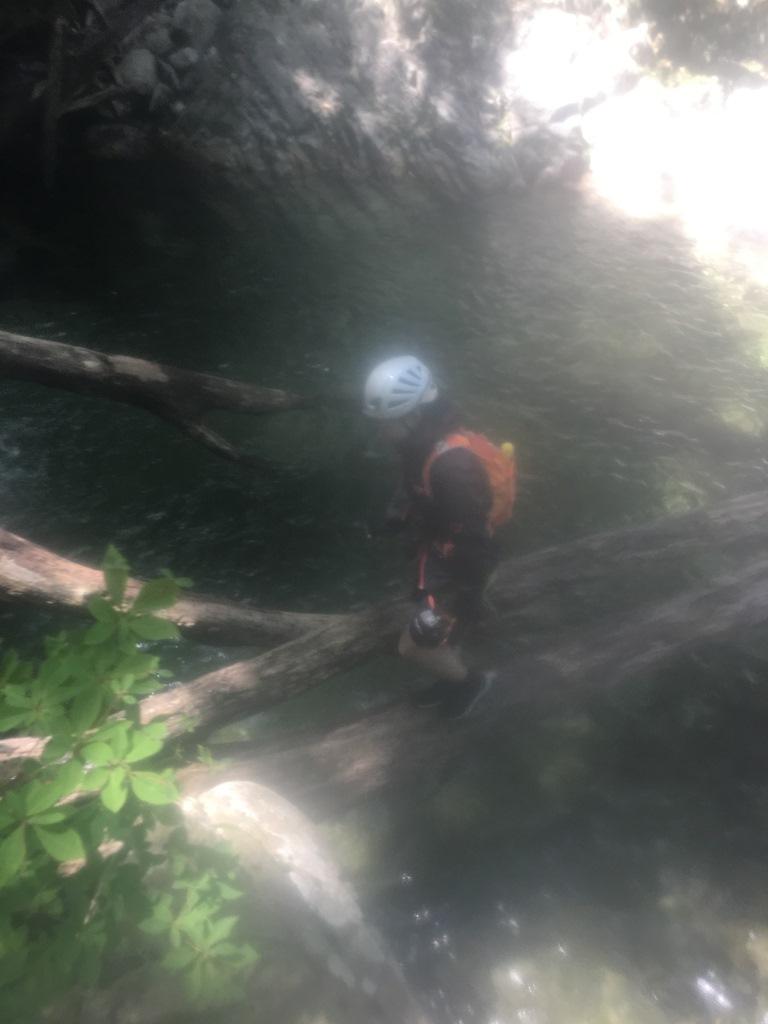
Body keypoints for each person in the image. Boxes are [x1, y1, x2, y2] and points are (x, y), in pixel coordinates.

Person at [363, 355, 517, 717]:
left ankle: (472, 684)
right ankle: (450, 675)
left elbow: (474, 542)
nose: (381, 432)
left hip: (461, 567)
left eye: (387, 423)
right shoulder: (420, 446)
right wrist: (394, 519)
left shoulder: (453, 468)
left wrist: (465, 599)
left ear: (414, 415)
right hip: (440, 551)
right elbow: (414, 485)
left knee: (413, 646)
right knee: (431, 632)